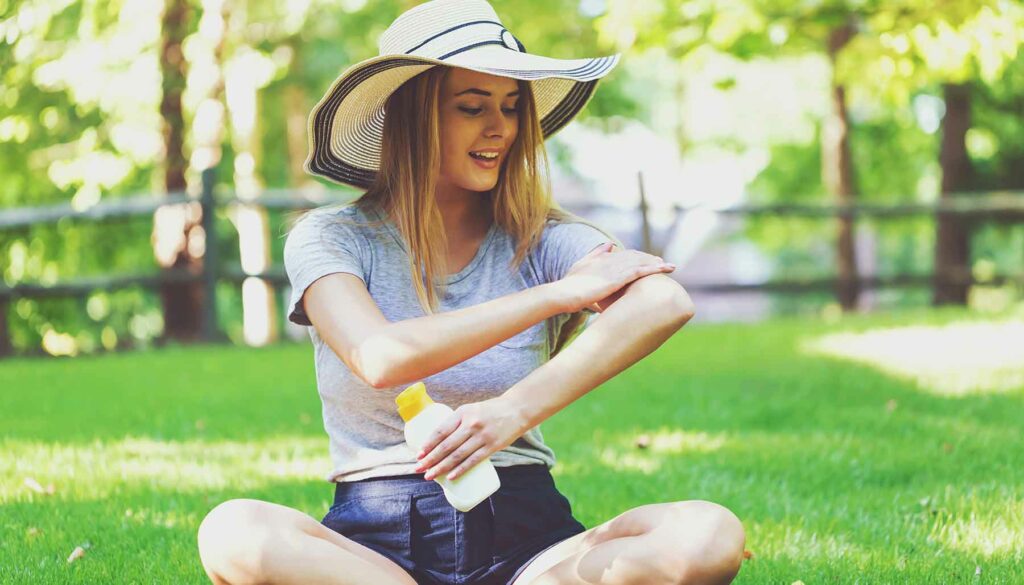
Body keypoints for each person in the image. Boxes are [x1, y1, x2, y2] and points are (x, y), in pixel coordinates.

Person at [196, 1, 745, 584]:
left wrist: (510, 413)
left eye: (511, 107)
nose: (500, 128)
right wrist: (557, 296)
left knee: (707, 533)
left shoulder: (544, 240)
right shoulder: (330, 237)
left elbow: (664, 301)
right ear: (411, 116)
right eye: (471, 107)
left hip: (530, 545)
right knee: (233, 530)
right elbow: (380, 357)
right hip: (376, 553)